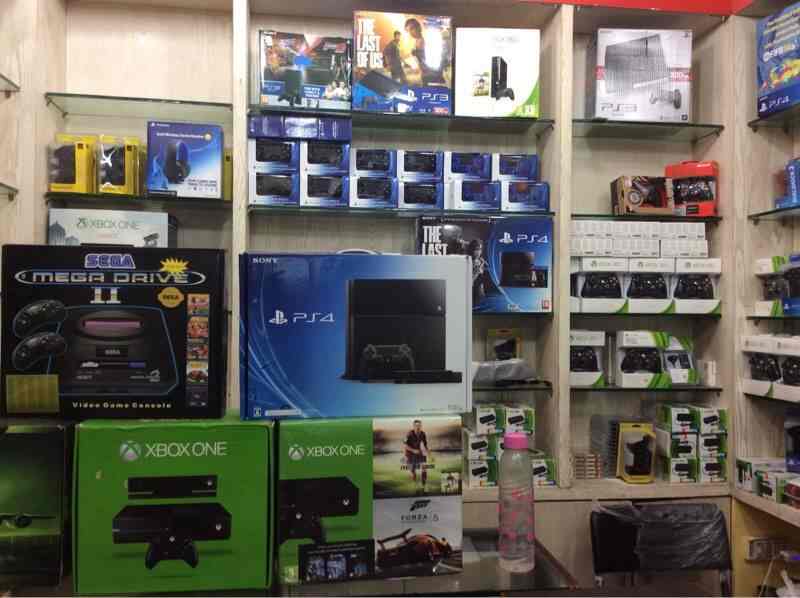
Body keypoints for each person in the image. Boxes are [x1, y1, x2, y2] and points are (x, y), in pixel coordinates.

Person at [404, 419, 429, 494]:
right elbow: (405, 445)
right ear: (413, 426)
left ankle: (424, 486)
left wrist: (428, 452)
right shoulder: (409, 434)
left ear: (421, 426)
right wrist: (413, 450)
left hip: (419, 452)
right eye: (416, 426)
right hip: (410, 454)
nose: (418, 427)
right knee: (413, 472)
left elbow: (425, 444)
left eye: (419, 426)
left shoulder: (423, 434)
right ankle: (415, 486)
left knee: (424, 469)